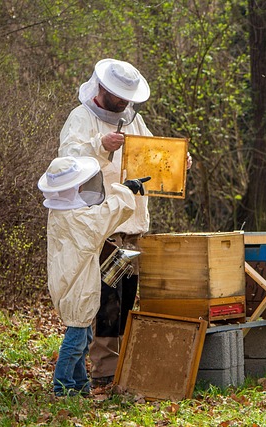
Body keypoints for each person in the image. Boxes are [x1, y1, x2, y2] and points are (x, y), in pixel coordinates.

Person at [58, 58, 192, 387]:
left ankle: (121, 367)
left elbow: (152, 160)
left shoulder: (134, 119)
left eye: (126, 97)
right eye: (118, 96)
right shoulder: (81, 118)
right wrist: (99, 146)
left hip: (133, 227)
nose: (123, 102)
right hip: (102, 226)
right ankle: (104, 370)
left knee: (127, 297)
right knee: (107, 300)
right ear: (101, 88)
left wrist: (178, 163)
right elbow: (65, 163)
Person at [37, 156, 146, 397]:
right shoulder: (78, 220)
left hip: (69, 280)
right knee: (76, 338)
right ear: (72, 188)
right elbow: (105, 216)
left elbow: (93, 215)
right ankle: (62, 386)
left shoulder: (60, 213)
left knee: (82, 335)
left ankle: (80, 385)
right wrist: (124, 190)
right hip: (77, 285)